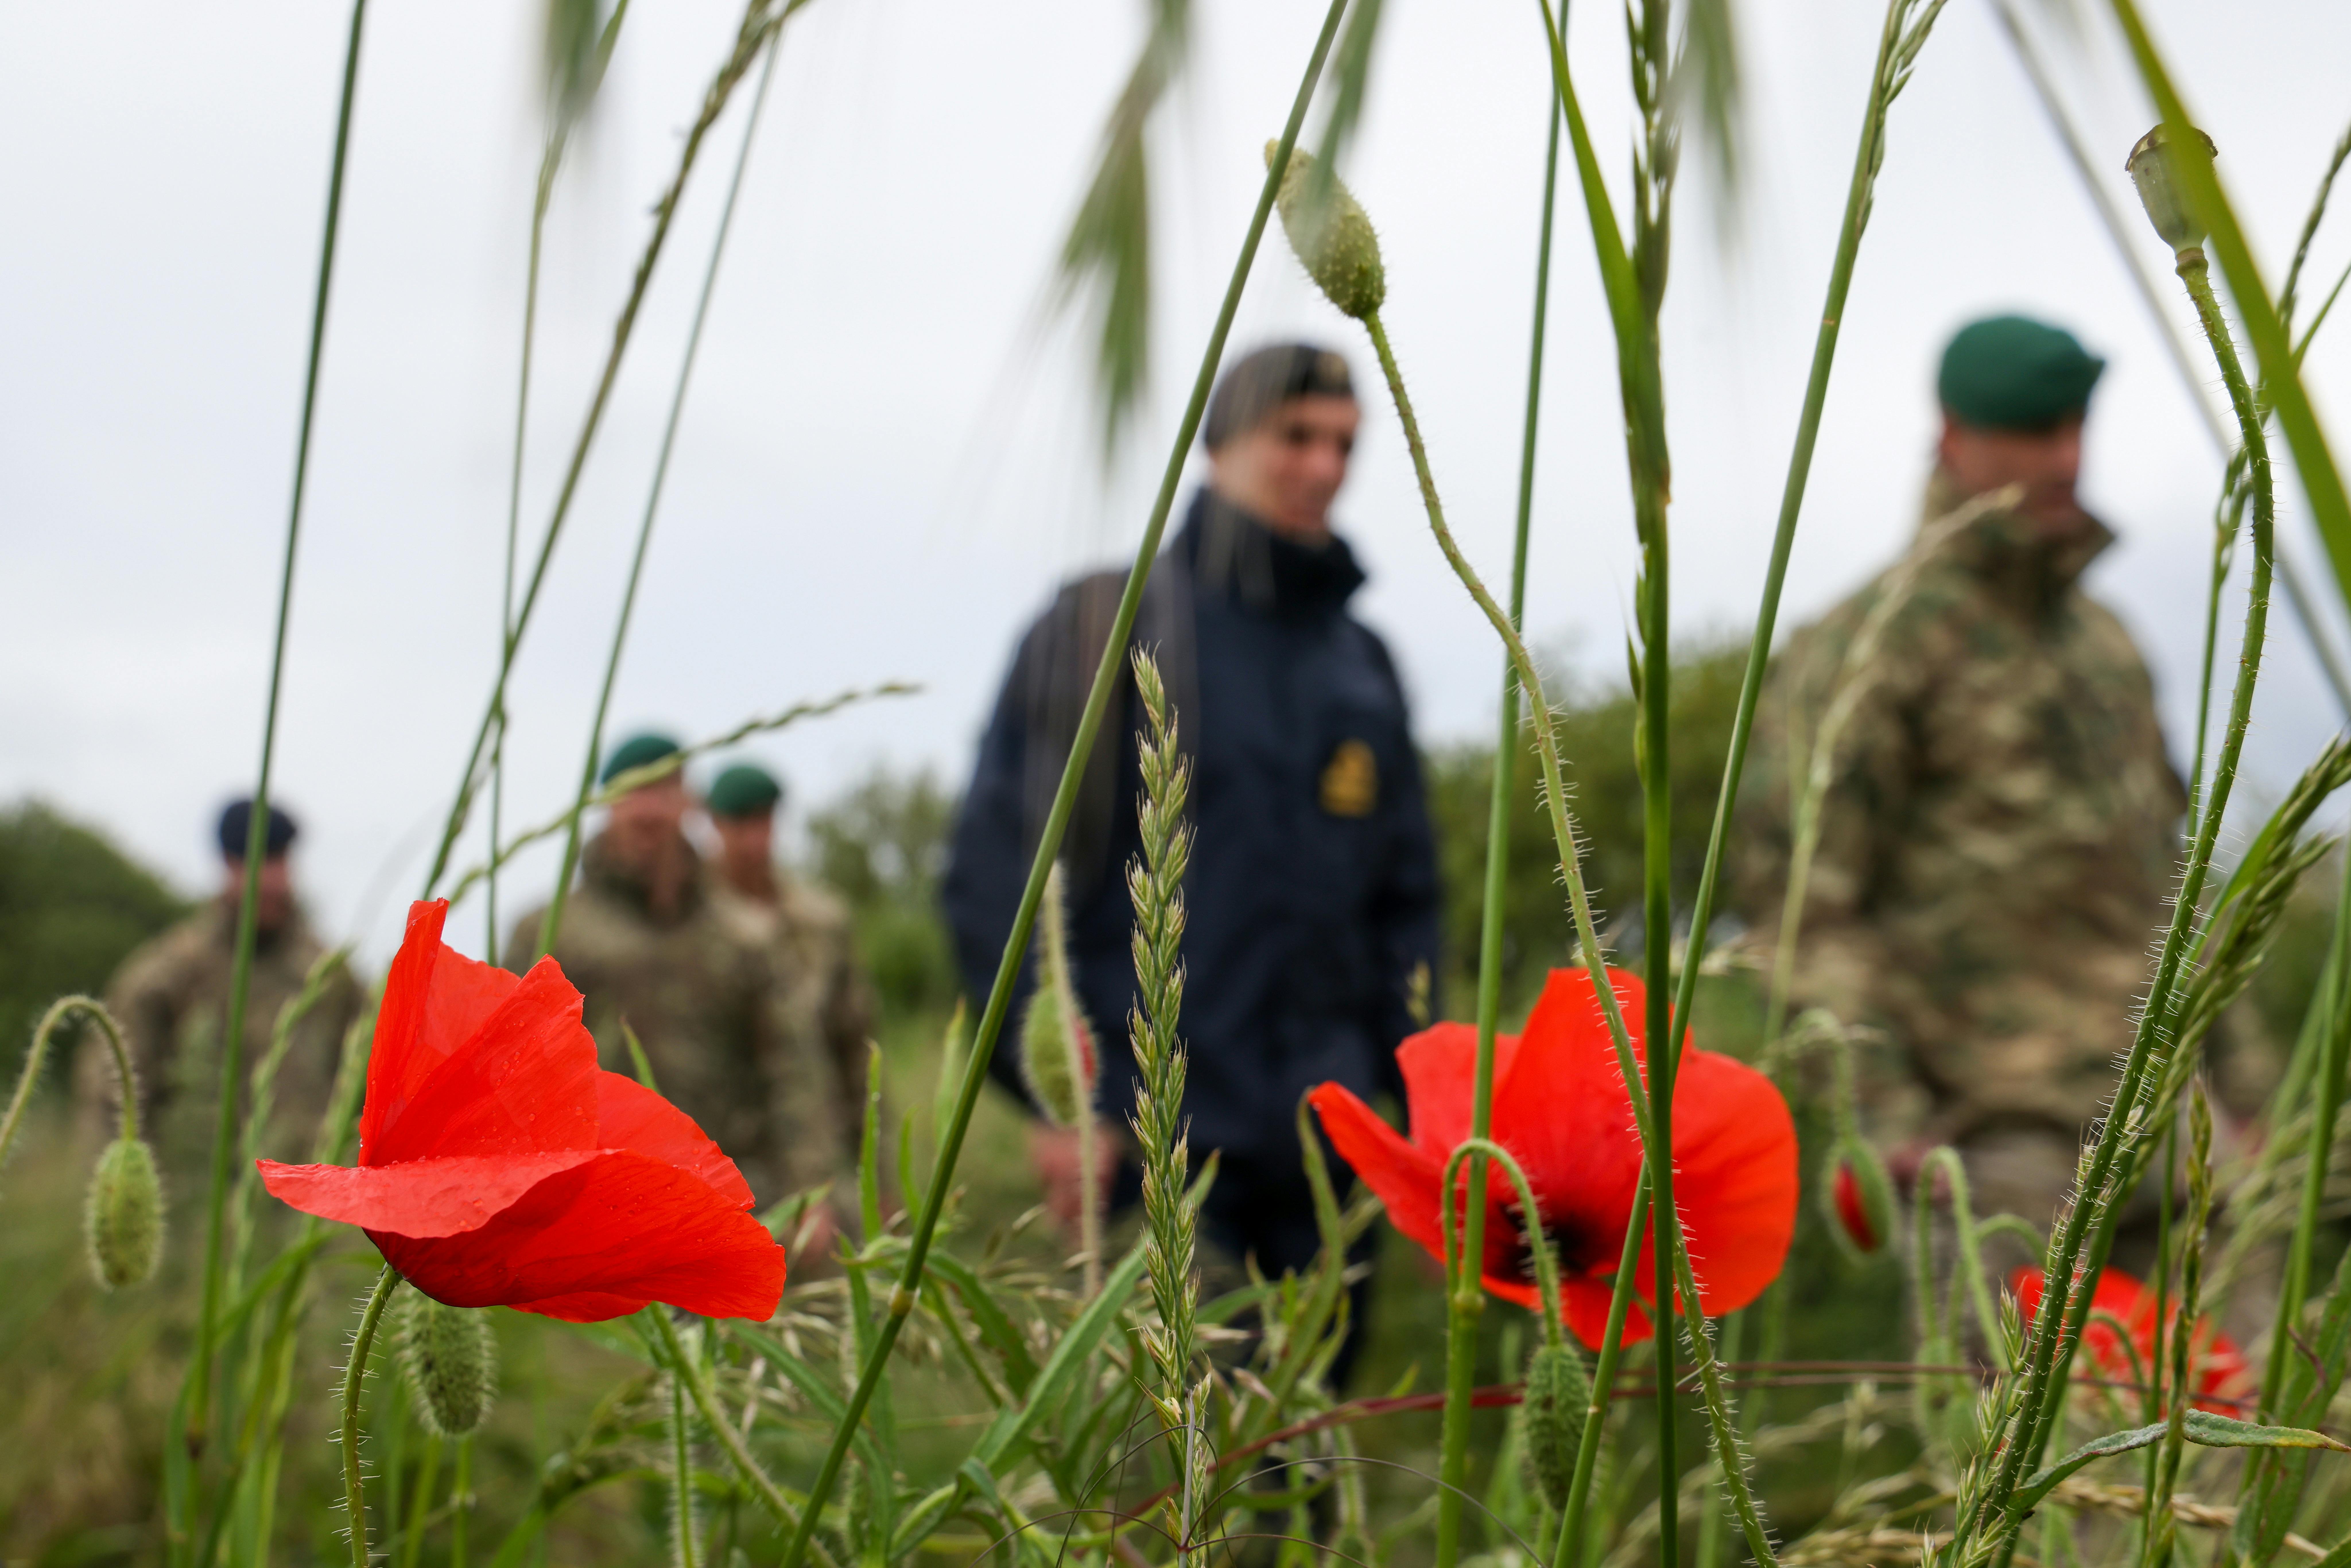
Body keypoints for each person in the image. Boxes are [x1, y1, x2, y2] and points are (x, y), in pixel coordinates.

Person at [944, 342, 1441, 1381]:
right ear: (1219, 443)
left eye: (1344, 444)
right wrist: (1061, 1104)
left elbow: (1408, 903)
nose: (1322, 465)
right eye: (1294, 436)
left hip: (1330, 1153)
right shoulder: (1108, 623)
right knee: (1156, 1487)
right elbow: (1002, 879)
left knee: (1305, 1477)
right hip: (1153, 1145)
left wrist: (1413, 1106)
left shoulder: (1364, 664)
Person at [1735, 313, 2265, 1240]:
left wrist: (2250, 1091)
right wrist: (1888, 1116)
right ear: (1952, 436)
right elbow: (1796, 907)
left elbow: (2176, 884)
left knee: (2257, 1388)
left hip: (2184, 1135)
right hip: (1998, 1157)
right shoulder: (1872, 647)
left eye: (2074, 427)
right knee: (2016, 1394)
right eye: (2033, 431)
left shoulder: (2107, 649)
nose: (2064, 459)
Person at [503, 734, 844, 1254]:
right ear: (606, 804)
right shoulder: (548, 933)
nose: (647, 809)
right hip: (597, 1208)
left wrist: (811, 1190)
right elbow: (512, 1065)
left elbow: (792, 1067)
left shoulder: (742, 934)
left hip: (734, 1195)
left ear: (688, 802)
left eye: (663, 789)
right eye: (631, 791)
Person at [94, 799, 364, 1174]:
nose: (274, 880)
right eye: (259, 861)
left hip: (309, 1210)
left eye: (281, 860)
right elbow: (110, 1102)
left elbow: (369, 1079)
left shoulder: (328, 974)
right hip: (200, 1206)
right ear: (227, 864)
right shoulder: (166, 976)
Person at [703, 760, 876, 1143]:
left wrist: (878, 1168)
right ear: (715, 824)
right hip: (727, 1141)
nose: (755, 841)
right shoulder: (692, 922)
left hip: (818, 1136)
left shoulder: (822, 920)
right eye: (740, 825)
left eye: (764, 823)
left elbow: (856, 1046)